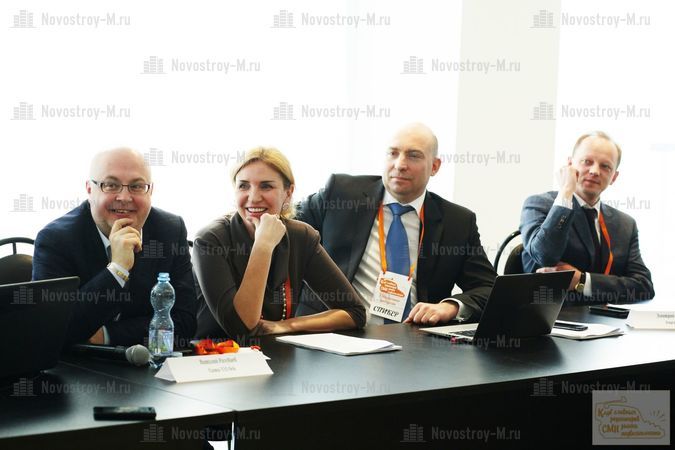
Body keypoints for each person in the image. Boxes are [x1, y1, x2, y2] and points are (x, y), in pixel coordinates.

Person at [297, 123, 496, 326]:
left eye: (413, 156)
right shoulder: (341, 194)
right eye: (393, 153)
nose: (400, 165)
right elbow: (288, 229)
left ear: (435, 166)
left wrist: (450, 306)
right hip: (335, 332)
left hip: (414, 338)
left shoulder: (457, 221)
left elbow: (488, 288)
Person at [192, 147, 366, 338]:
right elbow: (242, 328)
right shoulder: (210, 240)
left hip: (278, 352)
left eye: (266, 186)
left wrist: (288, 325)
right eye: (243, 186)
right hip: (219, 353)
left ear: (288, 193)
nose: (253, 197)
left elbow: (355, 313)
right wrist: (263, 246)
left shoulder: (301, 236)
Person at [32, 147, 197, 346]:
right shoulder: (56, 240)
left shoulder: (170, 230)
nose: (125, 197)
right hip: (79, 363)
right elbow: (53, 330)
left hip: (150, 362)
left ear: (150, 191)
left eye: (137, 186)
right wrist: (117, 270)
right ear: (89, 190)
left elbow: (185, 323)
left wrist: (108, 335)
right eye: (111, 185)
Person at [520, 131, 654, 303]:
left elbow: (644, 287)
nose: (595, 171)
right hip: (552, 316)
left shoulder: (625, 224)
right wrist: (566, 193)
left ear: (614, 177)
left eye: (605, 166)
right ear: (570, 164)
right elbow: (545, 256)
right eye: (587, 162)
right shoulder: (540, 204)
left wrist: (583, 281)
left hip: (603, 318)